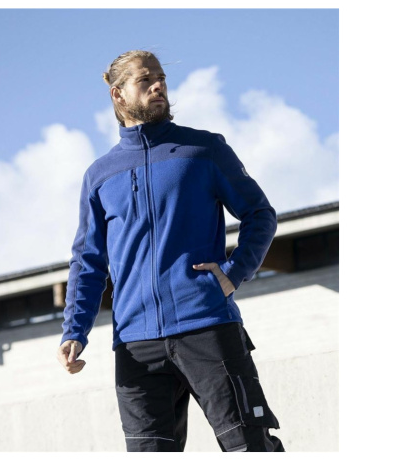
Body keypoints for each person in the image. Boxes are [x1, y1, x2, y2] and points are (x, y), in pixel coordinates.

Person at [57, 50, 285, 452]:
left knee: (249, 447)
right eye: (145, 80)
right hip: (135, 344)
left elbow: (259, 214)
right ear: (118, 94)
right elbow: (88, 261)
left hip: (207, 326)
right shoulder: (99, 175)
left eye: (160, 77)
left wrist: (234, 273)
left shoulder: (203, 149)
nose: (158, 85)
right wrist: (75, 331)